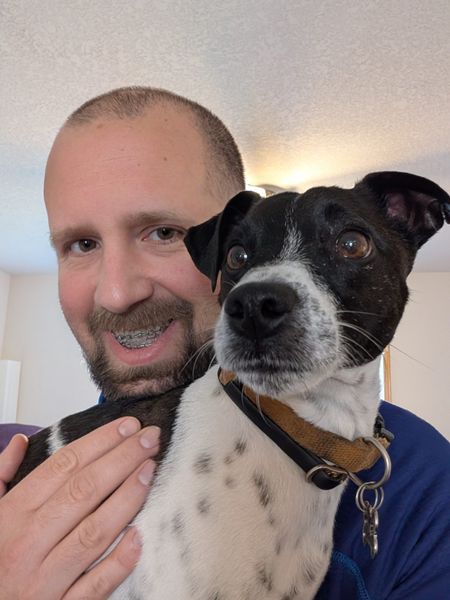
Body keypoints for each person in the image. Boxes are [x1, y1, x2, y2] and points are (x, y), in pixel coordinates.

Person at [1, 87, 449, 600]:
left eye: (165, 232)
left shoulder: (428, 494)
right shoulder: (13, 456)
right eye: (81, 244)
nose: (117, 292)